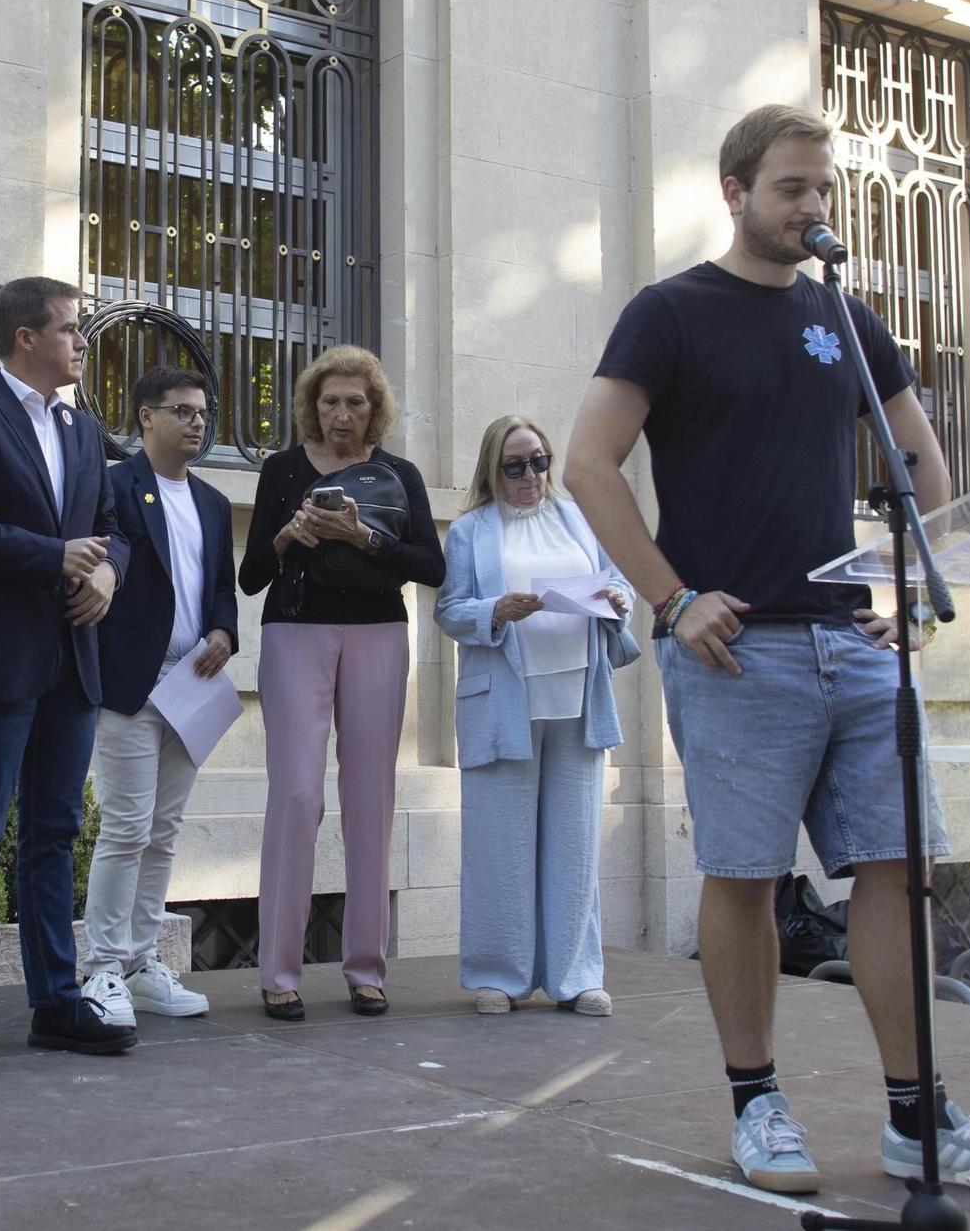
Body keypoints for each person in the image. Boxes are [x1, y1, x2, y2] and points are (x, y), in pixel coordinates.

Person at [563, 103, 970, 1193]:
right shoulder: (668, 313)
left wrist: (911, 590)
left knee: (894, 868)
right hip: (734, 652)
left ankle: (916, 1113)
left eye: (822, 190)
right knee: (745, 877)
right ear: (734, 190)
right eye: (790, 189)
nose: (812, 208)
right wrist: (670, 601)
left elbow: (921, 460)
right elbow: (587, 462)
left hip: (852, 645)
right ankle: (755, 1101)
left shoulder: (847, 322)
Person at [0, 275, 135, 1072]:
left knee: (56, 835)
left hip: (72, 662)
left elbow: (110, 529)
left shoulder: (83, 429)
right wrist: (51, 557)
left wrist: (108, 575)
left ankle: (55, 1001)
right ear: (27, 339)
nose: (82, 342)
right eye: (72, 329)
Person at [238, 345, 445, 1020]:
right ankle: (278, 971)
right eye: (330, 400)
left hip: (379, 633)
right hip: (295, 631)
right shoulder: (283, 469)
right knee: (297, 794)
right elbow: (250, 576)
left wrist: (365, 540)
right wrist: (290, 534)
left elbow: (430, 565)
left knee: (370, 798)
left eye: (356, 401)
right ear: (312, 405)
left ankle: (366, 967)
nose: (341, 413)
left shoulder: (400, 474)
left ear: (375, 408)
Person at [435, 417, 635, 1018]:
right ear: (492, 471)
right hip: (504, 702)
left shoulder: (579, 518)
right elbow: (449, 610)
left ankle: (577, 976)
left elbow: (614, 577)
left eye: (540, 462)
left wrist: (619, 598)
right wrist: (495, 610)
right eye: (515, 466)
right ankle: (499, 975)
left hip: (577, 696)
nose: (531, 477)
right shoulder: (472, 531)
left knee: (574, 845)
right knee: (500, 844)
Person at [78, 367, 238, 1025]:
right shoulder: (115, 486)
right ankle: (103, 966)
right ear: (145, 416)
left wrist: (226, 632)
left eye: (203, 412)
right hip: (131, 685)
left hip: (191, 687)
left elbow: (220, 588)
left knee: (164, 830)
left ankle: (143, 961)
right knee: (126, 824)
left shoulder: (214, 503)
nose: (196, 422)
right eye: (182, 411)